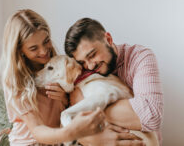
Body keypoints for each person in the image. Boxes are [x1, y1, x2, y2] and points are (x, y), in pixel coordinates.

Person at [0, 9, 106, 146]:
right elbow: (37, 129)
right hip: (30, 142)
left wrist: (64, 99)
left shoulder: (58, 65)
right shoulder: (14, 80)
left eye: (46, 41)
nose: (43, 51)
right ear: (20, 50)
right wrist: (73, 132)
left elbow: (73, 104)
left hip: (58, 139)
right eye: (33, 48)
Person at [64, 18, 164, 146]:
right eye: (82, 62)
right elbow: (74, 127)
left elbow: (151, 117)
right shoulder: (81, 74)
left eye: (92, 55)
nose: (89, 67)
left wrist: (85, 104)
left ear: (108, 40)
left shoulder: (140, 58)